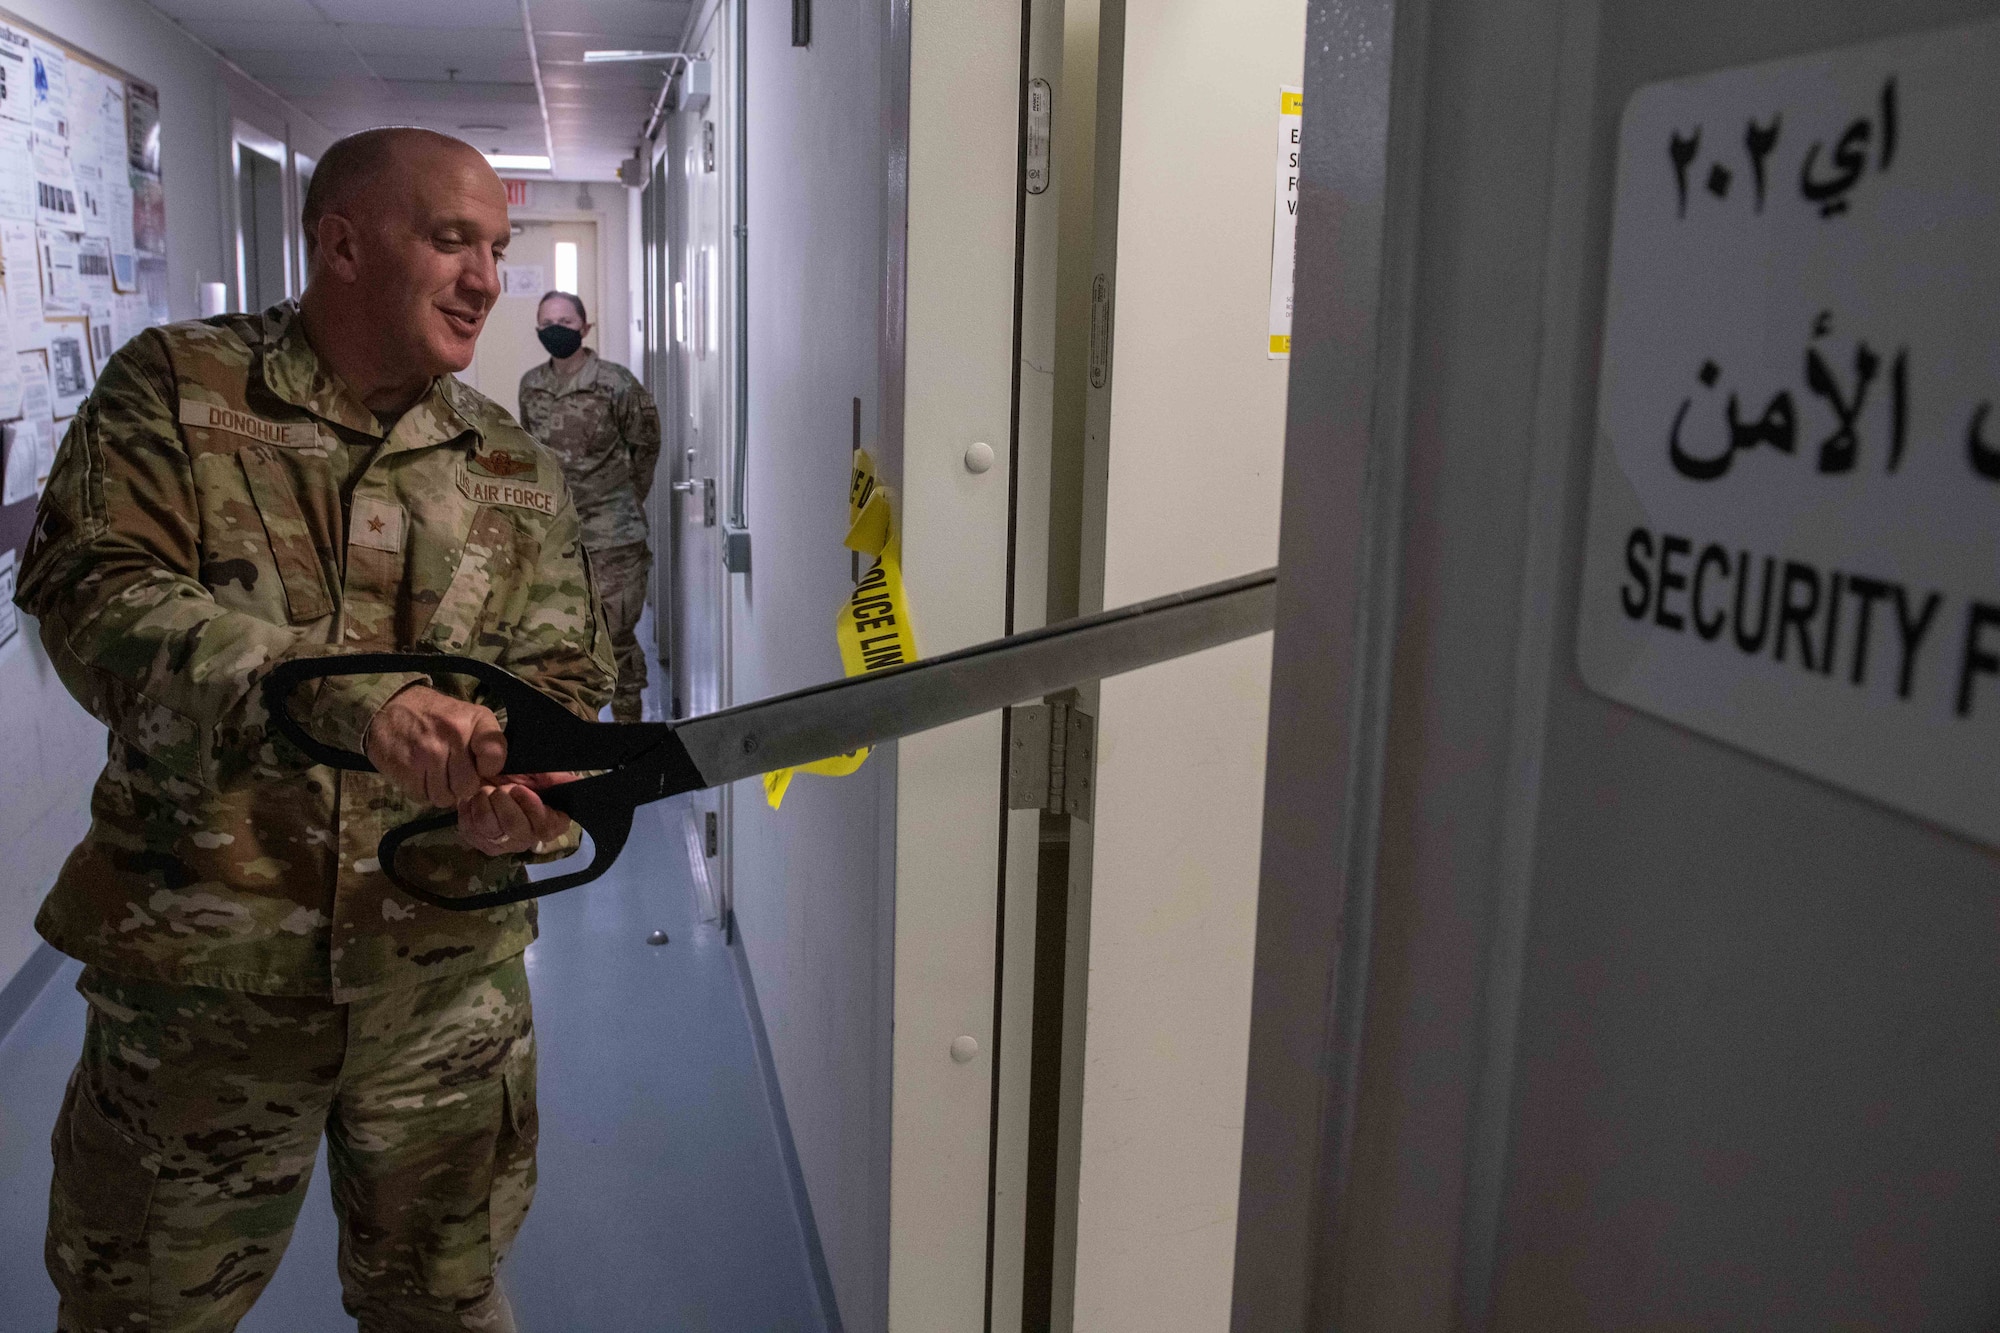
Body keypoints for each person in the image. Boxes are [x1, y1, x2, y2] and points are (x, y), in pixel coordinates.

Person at [15, 127, 613, 1332]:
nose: (487, 279)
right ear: (340, 243)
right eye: (452, 240)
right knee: (141, 1313)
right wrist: (361, 705)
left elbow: (560, 680)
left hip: (441, 993)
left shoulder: (511, 464)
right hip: (205, 986)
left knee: (443, 1308)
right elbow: (99, 596)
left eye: (495, 248)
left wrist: (535, 802)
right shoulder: (178, 393)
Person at [517, 292, 661, 724]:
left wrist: (622, 499)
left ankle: (629, 741)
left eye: (564, 319)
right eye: (546, 322)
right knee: (565, 645)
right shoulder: (531, 385)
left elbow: (646, 446)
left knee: (615, 641)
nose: (555, 328)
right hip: (556, 539)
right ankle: (581, 749)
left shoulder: (615, 383)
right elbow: (533, 453)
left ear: (585, 327)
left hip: (614, 539)